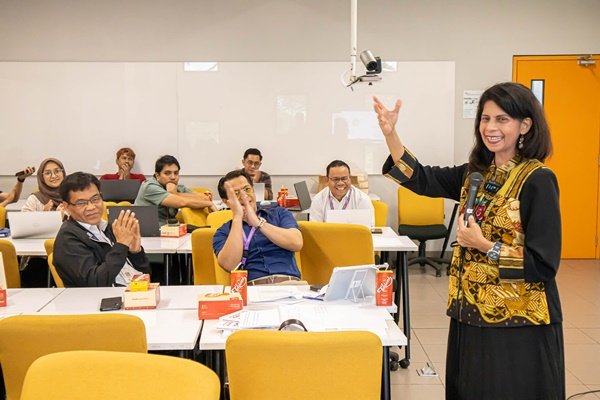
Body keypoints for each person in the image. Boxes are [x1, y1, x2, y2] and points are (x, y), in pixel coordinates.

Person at [374, 82, 564, 400]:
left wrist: (484, 245)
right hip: (469, 313)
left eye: (502, 119)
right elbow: (421, 177)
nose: (490, 127)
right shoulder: (476, 173)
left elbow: (544, 265)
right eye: (485, 118)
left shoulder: (537, 180)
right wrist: (391, 133)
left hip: (515, 322)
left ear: (525, 125)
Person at [53, 172, 151, 287]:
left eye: (95, 199)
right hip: (97, 302)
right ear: (66, 207)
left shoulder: (106, 228)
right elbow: (96, 283)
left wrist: (136, 252)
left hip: (133, 295)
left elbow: (145, 275)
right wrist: (121, 245)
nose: (91, 207)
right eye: (81, 203)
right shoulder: (68, 239)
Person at [213, 170, 303, 285]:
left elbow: (296, 242)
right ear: (226, 202)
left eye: (247, 189)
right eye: (236, 193)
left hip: (288, 283)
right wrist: (237, 218)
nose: (244, 196)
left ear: (254, 191)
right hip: (253, 288)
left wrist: (258, 223)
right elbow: (230, 265)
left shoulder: (279, 213)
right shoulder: (223, 232)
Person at [134, 155, 215, 225]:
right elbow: (182, 202)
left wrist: (175, 193)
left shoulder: (176, 187)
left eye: (176, 173)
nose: (173, 177)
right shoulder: (149, 187)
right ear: (157, 175)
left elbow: (204, 197)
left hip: (170, 230)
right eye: (167, 173)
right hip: (147, 233)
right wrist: (209, 204)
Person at [308, 160, 374, 225]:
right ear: (327, 180)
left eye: (344, 178)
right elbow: (315, 228)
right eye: (335, 179)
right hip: (328, 235)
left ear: (350, 178)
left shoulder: (362, 199)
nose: (340, 183)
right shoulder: (318, 199)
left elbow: (368, 229)